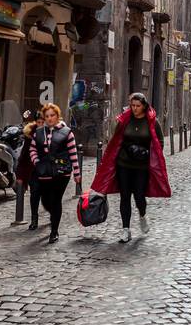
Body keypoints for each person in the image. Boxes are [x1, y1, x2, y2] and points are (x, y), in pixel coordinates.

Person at [93, 92, 171, 243]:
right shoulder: (125, 120)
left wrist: (148, 153)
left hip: (142, 166)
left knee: (139, 196)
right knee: (125, 196)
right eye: (132, 105)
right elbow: (116, 140)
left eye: (138, 106)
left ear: (144, 106)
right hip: (124, 164)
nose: (135, 109)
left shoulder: (152, 121)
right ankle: (125, 230)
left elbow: (159, 142)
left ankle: (142, 214)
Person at [25, 103, 81, 243]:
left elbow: (73, 153)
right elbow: (32, 149)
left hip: (61, 172)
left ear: (57, 116)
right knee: (45, 200)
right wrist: (36, 162)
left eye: (52, 115)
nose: (50, 118)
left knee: (56, 200)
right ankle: (53, 215)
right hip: (44, 172)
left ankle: (54, 231)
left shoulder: (67, 132)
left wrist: (77, 173)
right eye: (47, 116)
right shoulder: (38, 133)